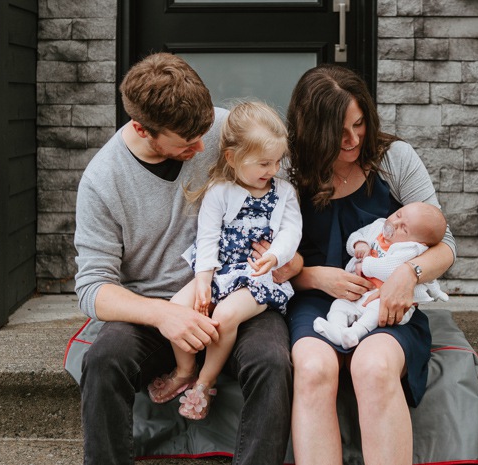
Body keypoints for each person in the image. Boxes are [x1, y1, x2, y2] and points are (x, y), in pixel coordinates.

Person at [74, 53, 293, 465]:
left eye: (204, 133)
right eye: (186, 143)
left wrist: (291, 257)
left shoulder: (222, 128)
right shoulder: (103, 181)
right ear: (142, 128)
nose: (201, 147)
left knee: (272, 361)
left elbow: (283, 183)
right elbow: (91, 288)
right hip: (158, 311)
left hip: (239, 292)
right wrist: (163, 315)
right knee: (103, 361)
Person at [267, 64, 457, 465]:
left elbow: (445, 245)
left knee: (373, 366)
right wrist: (312, 276)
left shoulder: (395, 159)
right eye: (338, 132)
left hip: (386, 301)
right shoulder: (287, 171)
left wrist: (407, 274)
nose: (353, 140)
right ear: (312, 130)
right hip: (315, 299)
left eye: (359, 124)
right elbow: (265, 258)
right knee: (314, 367)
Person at [146, 101, 302, 421]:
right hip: (219, 272)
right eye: (263, 163)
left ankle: (205, 383)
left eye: (277, 161)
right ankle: (186, 368)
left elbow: (291, 230)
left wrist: (275, 256)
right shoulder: (219, 191)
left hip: (261, 275)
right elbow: (207, 238)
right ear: (232, 158)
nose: (272, 170)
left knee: (225, 316)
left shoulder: (283, 193)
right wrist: (203, 280)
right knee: (176, 308)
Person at [313, 202, 449, 350]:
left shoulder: (411, 248)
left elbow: (390, 268)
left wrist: (364, 265)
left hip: (388, 300)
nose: (395, 223)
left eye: (404, 229)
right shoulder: (378, 226)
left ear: (419, 242)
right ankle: (337, 330)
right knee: (339, 305)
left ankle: (355, 332)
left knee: (376, 311)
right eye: (398, 214)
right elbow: (357, 235)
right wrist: (359, 244)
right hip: (362, 294)